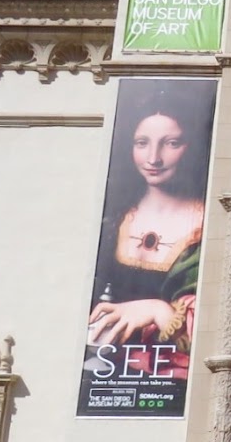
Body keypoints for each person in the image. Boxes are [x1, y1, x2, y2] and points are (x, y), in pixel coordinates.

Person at [86, 86, 210, 380]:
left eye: (171, 143)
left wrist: (158, 310)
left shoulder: (212, 225)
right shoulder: (112, 221)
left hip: (172, 383)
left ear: (191, 145)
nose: (153, 158)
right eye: (142, 143)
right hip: (101, 372)